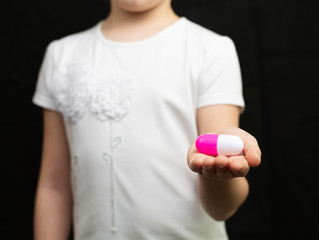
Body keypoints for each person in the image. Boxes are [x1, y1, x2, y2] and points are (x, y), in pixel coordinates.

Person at [32, 0, 261, 239]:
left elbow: (222, 208)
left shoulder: (210, 50)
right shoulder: (61, 55)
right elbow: (54, 187)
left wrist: (219, 173)